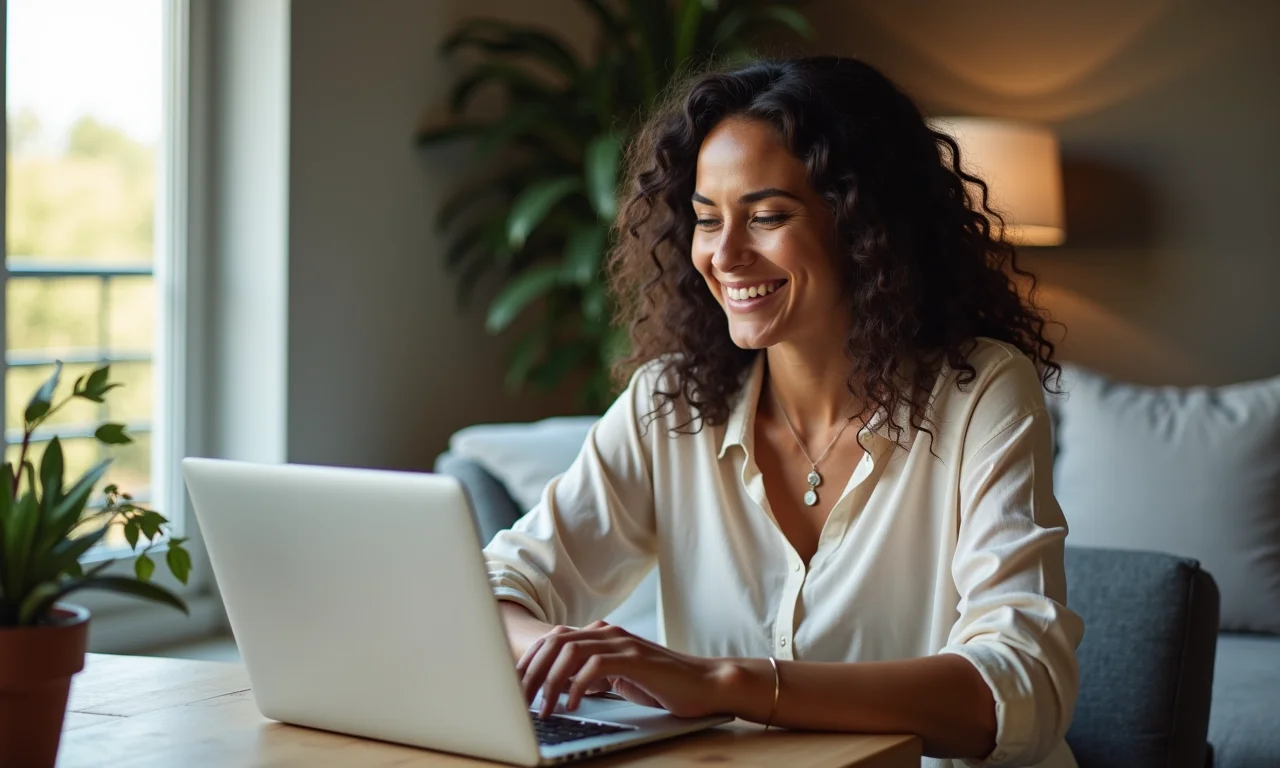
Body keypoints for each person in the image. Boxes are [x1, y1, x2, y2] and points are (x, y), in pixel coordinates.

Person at [483, 55, 1084, 768]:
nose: (725, 255)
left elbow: (1018, 689)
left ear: (866, 223)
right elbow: (489, 592)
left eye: (767, 216)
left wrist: (725, 683)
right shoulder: (669, 403)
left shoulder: (981, 389)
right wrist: (556, 651)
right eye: (707, 220)